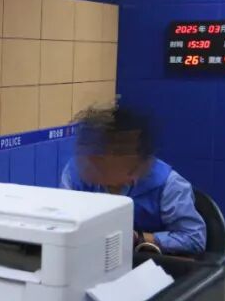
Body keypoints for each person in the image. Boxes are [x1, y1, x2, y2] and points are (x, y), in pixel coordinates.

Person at [60, 105, 206, 255]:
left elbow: (194, 239)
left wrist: (139, 238)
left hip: (150, 261)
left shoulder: (169, 184)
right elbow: (62, 224)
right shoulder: (76, 173)